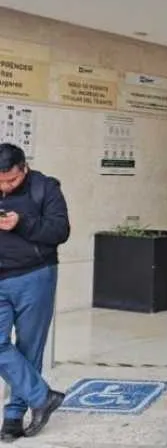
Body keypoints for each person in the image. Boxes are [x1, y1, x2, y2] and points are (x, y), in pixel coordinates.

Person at [0, 143, 70, 441]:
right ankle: (43, 397)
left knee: (29, 349)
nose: (5, 186)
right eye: (0, 181)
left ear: (24, 169)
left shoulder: (46, 188)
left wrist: (22, 222)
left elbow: (60, 231)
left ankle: (13, 417)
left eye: (11, 180)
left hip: (34, 277)